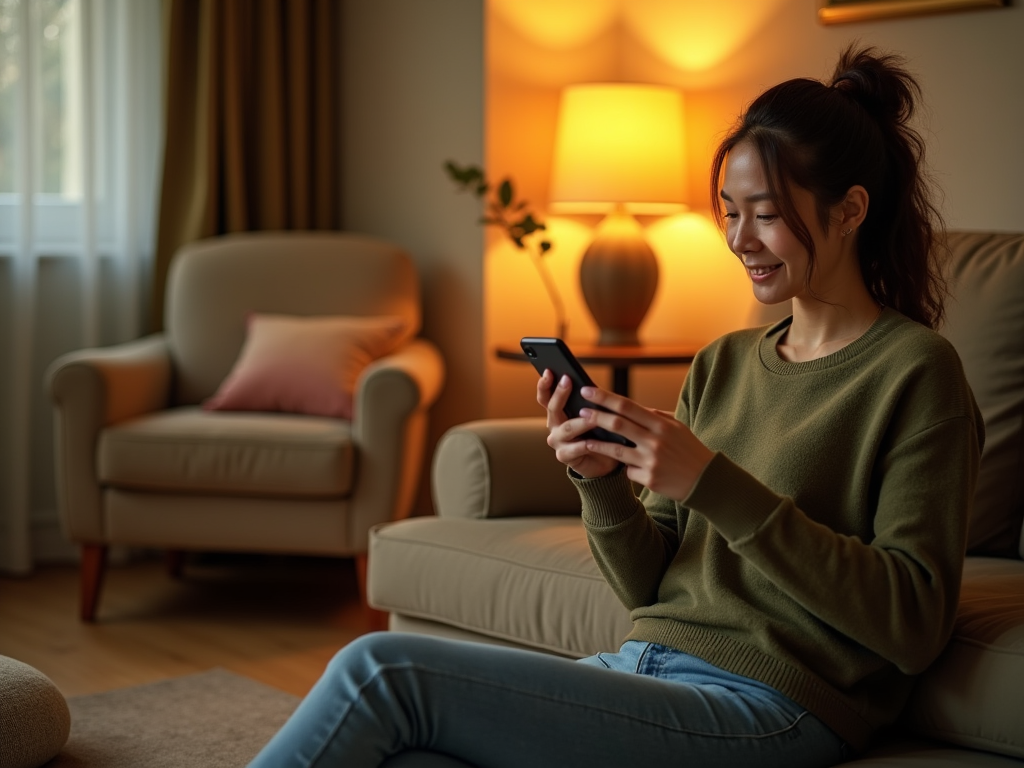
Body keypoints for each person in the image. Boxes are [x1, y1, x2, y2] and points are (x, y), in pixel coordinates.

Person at [247, 44, 983, 768]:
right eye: (729, 212)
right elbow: (649, 586)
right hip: (643, 665)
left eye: (764, 214)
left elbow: (912, 621)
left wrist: (711, 484)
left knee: (381, 672)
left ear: (850, 209)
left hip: (770, 707)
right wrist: (601, 480)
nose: (738, 238)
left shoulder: (915, 373)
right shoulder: (722, 363)